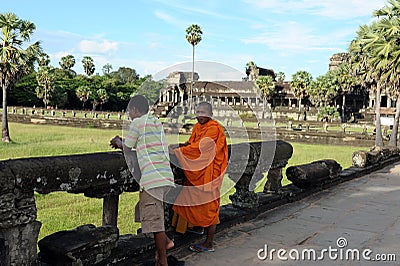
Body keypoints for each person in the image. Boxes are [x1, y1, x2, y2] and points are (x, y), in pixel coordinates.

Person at [110, 95, 175, 266]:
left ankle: (163, 259)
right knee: (153, 216)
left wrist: (118, 141)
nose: (129, 116)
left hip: (152, 180)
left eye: (129, 112)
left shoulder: (137, 123)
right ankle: (164, 246)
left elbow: (128, 146)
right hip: (165, 177)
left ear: (134, 110)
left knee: (155, 224)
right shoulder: (155, 122)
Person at [169, 102, 228, 253]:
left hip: (209, 175)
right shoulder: (197, 127)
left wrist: (179, 151)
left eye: (203, 112)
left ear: (210, 114)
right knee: (186, 201)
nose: (199, 115)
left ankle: (209, 243)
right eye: (197, 111)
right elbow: (191, 143)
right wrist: (180, 146)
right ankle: (193, 229)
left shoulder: (214, 128)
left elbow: (200, 148)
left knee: (210, 209)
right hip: (197, 172)